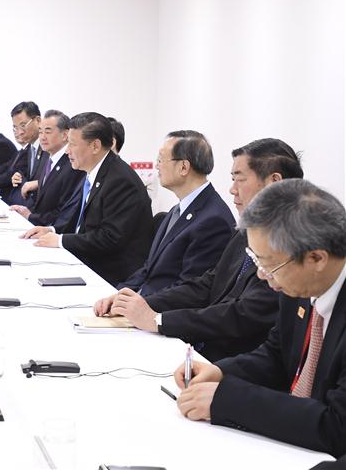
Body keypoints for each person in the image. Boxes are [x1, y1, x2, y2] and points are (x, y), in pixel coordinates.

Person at [174, 179, 346, 457]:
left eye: (269, 265)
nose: (264, 277)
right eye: (257, 262)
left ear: (317, 258)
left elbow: (337, 427)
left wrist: (228, 401)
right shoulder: (299, 282)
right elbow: (277, 354)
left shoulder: (299, 281)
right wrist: (220, 372)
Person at [94, 138, 301, 361]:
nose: (232, 190)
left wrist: (158, 320)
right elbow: (209, 282)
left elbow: (244, 314)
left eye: (239, 179)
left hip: (235, 357)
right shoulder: (247, 229)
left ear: (274, 181)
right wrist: (138, 304)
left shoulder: (291, 242)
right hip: (207, 348)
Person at [22, 112, 152, 286]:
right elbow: (81, 223)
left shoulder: (120, 180)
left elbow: (109, 238)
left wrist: (61, 240)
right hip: (91, 260)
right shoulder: (94, 171)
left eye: (72, 144)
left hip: (110, 275)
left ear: (95, 146)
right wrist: (52, 230)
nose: (67, 151)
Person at [113, 130, 235, 296]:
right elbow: (149, 269)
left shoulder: (213, 220)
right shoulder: (179, 209)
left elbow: (189, 290)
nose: (157, 166)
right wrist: (119, 293)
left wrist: (137, 304)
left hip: (160, 312)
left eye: (161, 160)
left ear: (183, 167)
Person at [9, 110, 85, 227]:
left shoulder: (72, 164)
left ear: (65, 135)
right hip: (38, 226)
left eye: (48, 132)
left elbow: (63, 211)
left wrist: (30, 216)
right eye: (40, 131)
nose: (42, 137)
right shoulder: (47, 158)